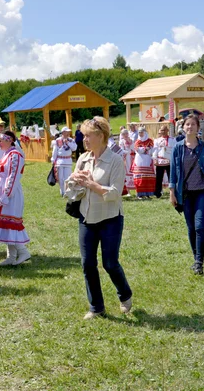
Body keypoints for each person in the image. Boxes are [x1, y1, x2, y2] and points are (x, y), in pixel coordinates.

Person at [68, 116, 132, 319]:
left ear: (101, 136)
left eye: (88, 135)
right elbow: (71, 192)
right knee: (87, 264)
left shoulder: (115, 161)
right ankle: (96, 307)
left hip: (110, 218)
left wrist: (91, 184)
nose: (84, 139)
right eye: (83, 135)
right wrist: (74, 182)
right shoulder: (83, 159)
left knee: (110, 263)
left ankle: (125, 294)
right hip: (87, 218)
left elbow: (114, 193)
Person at [169, 115, 204, 275]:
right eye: (187, 124)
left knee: (200, 226)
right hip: (185, 193)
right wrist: (172, 193)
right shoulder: (178, 148)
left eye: (193, 124)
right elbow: (173, 172)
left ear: (198, 128)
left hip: (202, 192)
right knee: (191, 227)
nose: (190, 127)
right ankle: (195, 257)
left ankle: (199, 262)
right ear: (183, 127)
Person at [0, 131, 31, 266]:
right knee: (5, 223)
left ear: (10, 140)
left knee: (10, 222)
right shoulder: (6, 155)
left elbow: (13, 177)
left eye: (2, 140)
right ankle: (11, 256)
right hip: (1, 193)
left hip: (11, 195)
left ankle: (22, 251)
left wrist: (6, 194)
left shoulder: (15, 155)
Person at [51, 126, 77, 196]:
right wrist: (53, 159)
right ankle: (62, 191)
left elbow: (74, 148)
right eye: (67, 132)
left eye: (68, 132)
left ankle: (66, 191)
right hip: (60, 161)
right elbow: (55, 151)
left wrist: (68, 143)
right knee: (60, 177)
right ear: (63, 132)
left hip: (68, 161)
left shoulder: (71, 140)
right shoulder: (57, 140)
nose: (68, 133)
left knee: (67, 177)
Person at [152, 125, 176, 198]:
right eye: (162, 130)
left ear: (167, 130)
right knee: (159, 177)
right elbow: (155, 150)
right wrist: (155, 159)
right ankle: (157, 193)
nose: (163, 132)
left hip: (169, 160)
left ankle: (173, 192)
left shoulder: (172, 140)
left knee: (171, 177)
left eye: (164, 130)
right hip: (160, 161)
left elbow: (174, 150)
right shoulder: (157, 140)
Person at [132, 126, 155, 199]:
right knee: (140, 177)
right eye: (139, 132)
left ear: (145, 133)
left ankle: (148, 193)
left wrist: (144, 150)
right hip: (139, 160)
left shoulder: (150, 140)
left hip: (147, 160)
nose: (140, 134)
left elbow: (152, 149)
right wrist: (145, 149)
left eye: (142, 132)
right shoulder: (137, 141)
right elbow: (138, 150)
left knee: (147, 176)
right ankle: (140, 194)